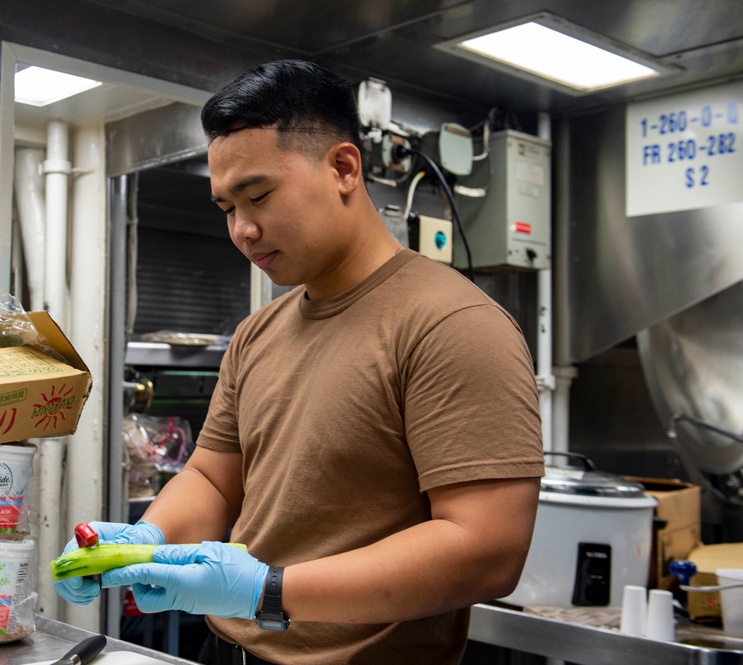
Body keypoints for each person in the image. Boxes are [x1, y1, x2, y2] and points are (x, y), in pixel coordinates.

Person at [56, 59, 544, 665]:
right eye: (226, 208)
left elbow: (487, 549)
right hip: (229, 650)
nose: (243, 229)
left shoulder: (451, 325)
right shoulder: (258, 333)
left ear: (343, 168)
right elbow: (212, 478)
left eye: (258, 195)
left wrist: (269, 592)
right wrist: (145, 541)